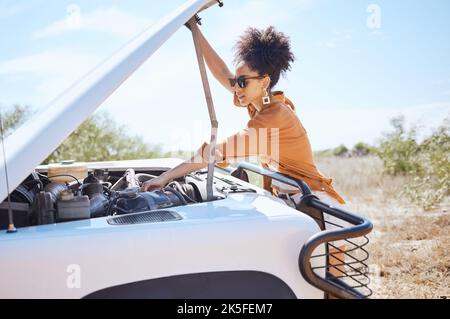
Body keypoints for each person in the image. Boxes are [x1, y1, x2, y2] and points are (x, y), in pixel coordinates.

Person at [141, 19, 347, 277]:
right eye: (237, 81)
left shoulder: (273, 116)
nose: (236, 88)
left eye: (243, 82)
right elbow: (222, 73)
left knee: (332, 290)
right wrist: (196, 30)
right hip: (294, 205)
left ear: (264, 81)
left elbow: (216, 152)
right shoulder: (261, 102)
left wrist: (166, 177)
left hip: (319, 210)